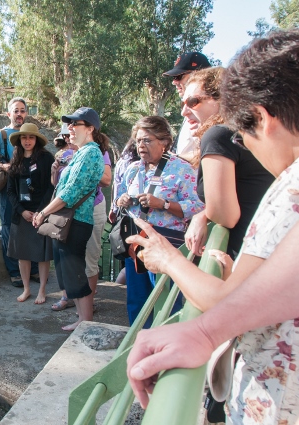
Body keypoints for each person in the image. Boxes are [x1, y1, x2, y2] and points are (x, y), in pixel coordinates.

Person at [126, 29, 299, 424]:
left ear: (263, 118)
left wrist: (168, 259)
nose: (244, 144)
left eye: (245, 133)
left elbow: (227, 298)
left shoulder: (291, 186)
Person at [114, 116, 204, 327]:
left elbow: (197, 207)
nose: (141, 146)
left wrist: (163, 204)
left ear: (164, 142)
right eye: (138, 141)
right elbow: (122, 196)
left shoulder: (182, 169)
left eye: (147, 140)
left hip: (166, 244)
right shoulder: (133, 169)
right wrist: (123, 200)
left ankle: (167, 345)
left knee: (166, 300)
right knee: (137, 300)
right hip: (136, 243)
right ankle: (138, 342)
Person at [182, 67, 274, 259]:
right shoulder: (249, 134)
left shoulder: (218, 135)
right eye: (183, 104)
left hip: (243, 255)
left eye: (193, 102)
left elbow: (226, 217)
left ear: (222, 99)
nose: (184, 112)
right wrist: (203, 215)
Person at [32, 107, 104, 331]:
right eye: (69, 124)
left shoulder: (91, 153)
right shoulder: (81, 152)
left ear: (90, 128)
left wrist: (43, 213)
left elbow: (70, 193)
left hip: (76, 221)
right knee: (70, 272)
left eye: (76, 124)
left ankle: (86, 321)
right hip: (71, 220)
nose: (70, 129)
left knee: (75, 272)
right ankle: (83, 319)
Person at [51, 132, 112, 312]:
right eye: (66, 134)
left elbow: (106, 180)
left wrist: (83, 169)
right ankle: (69, 297)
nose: (68, 136)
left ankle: (87, 306)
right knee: (67, 259)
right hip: (68, 213)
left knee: (89, 259)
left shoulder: (96, 152)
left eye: (72, 130)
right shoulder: (63, 154)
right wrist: (56, 170)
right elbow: (58, 187)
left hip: (91, 209)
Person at [0, 97, 39, 288]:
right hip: (9, 189)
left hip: (30, 188)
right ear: (9, 114)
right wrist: (4, 166)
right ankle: (14, 272)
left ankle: (34, 269)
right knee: (9, 228)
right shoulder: (2, 135)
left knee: (32, 225)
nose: (19, 114)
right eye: (16, 111)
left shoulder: (31, 133)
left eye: (23, 110)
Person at [6, 123, 54, 304]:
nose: (27, 141)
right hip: (21, 215)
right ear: (19, 140)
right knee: (23, 254)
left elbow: (51, 188)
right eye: (24, 138)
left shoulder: (46, 158)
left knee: (42, 254)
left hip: (42, 214)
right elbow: (10, 191)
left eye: (31, 137)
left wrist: (40, 212)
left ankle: (42, 290)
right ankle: (26, 289)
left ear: (36, 140)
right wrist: (22, 211)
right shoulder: (16, 159)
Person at [162, 51, 211, 164]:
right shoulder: (190, 112)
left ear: (200, 75)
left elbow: (210, 151)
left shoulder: (212, 112)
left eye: (179, 77)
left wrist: (174, 158)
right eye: (174, 77)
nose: (174, 82)